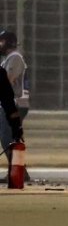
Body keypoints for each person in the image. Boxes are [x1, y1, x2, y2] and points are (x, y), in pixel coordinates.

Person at [0, 31, 28, 163]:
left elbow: (8, 79)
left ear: (9, 42)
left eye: (2, 41)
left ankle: (17, 171)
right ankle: (17, 171)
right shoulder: (8, 59)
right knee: (8, 137)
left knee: (6, 137)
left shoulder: (15, 57)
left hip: (15, 104)